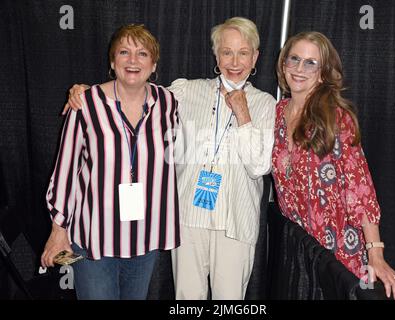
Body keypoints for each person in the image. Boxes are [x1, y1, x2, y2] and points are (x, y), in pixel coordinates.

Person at [64, 17, 276, 300]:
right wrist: (85, 93)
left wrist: (243, 114)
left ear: (255, 57)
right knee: (187, 299)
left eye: (243, 52)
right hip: (188, 217)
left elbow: (259, 166)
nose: (234, 61)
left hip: (235, 222)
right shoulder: (186, 92)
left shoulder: (265, 104)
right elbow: (134, 90)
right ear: (216, 55)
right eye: (227, 51)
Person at [41, 24, 180, 300]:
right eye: (124, 52)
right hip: (94, 239)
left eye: (142, 54)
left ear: (153, 65)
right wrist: (58, 229)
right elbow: (66, 169)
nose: (132, 60)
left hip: (144, 236)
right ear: (112, 60)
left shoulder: (168, 103)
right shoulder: (86, 103)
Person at [271, 31, 395, 299]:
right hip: (302, 252)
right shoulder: (277, 113)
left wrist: (375, 255)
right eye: (294, 59)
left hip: (338, 255)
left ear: (323, 73)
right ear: (283, 63)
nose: (299, 68)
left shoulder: (334, 118)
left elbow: (361, 191)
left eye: (311, 62)